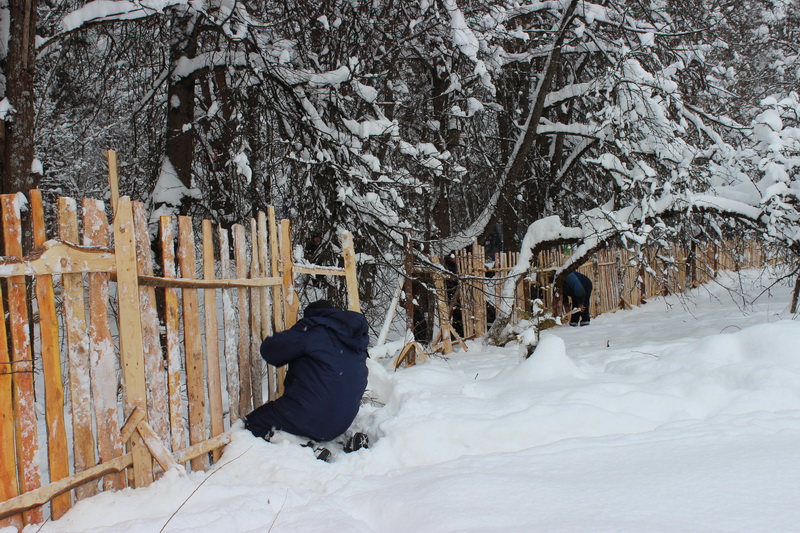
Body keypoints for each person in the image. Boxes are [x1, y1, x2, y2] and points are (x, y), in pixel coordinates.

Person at [244, 299, 370, 449]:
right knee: (315, 414)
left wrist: (295, 332)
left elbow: (271, 351)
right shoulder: (353, 336)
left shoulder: (312, 330)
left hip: (311, 415)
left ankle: (306, 447)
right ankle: (341, 440)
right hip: (344, 419)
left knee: (254, 423)